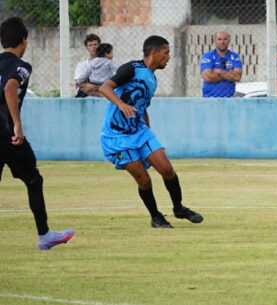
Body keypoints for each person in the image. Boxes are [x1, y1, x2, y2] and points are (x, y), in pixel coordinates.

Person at [98, 35, 204, 229]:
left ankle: (178, 208)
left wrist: (146, 127)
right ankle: (156, 217)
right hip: (117, 136)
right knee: (143, 179)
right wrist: (121, 104)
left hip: (140, 131)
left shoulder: (152, 79)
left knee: (166, 169)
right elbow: (105, 87)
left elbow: (141, 105)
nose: (168, 57)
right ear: (154, 52)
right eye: (166, 52)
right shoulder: (132, 68)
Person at [0, 17, 75, 250]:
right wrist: (17, 124)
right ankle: (44, 235)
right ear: (24, 40)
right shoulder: (21, 66)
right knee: (33, 179)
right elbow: (10, 87)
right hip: (6, 132)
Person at [200, 31, 242, 98]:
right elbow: (207, 77)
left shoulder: (235, 56)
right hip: (209, 99)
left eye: (225, 39)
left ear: (229, 41)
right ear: (215, 41)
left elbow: (237, 77)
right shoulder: (208, 56)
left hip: (229, 99)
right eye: (219, 39)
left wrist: (219, 72)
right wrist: (229, 74)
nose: (222, 42)